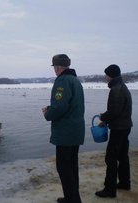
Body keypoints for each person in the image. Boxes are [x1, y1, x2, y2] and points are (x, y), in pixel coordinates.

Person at [42, 54, 85, 203]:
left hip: (66, 133)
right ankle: (73, 198)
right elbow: (70, 105)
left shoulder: (62, 81)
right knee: (72, 167)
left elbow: (60, 106)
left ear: (58, 67)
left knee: (64, 168)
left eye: (54, 66)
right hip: (75, 131)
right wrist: (52, 108)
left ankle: (72, 200)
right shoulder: (75, 80)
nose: (54, 69)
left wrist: (48, 113)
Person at [95, 64, 133, 198]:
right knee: (122, 156)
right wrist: (106, 115)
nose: (105, 77)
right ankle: (124, 182)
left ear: (110, 75)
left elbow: (115, 111)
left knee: (110, 158)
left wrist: (103, 117)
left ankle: (110, 190)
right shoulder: (122, 86)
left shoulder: (116, 89)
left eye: (106, 75)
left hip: (118, 128)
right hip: (125, 126)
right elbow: (118, 109)